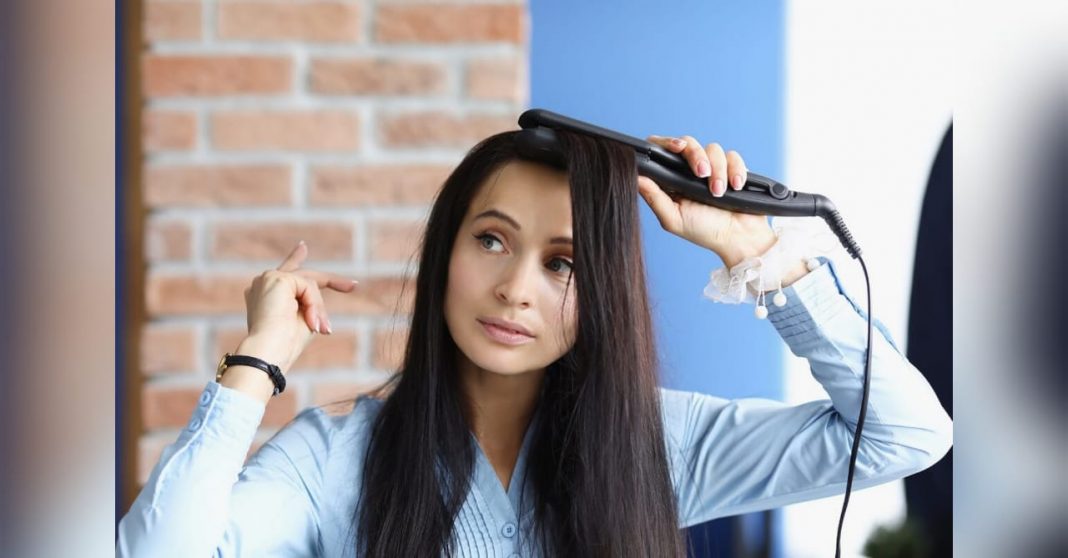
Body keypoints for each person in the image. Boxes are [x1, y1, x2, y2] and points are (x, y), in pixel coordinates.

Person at [116, 130, 952, 557]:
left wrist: (753, 251)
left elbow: (906, 435)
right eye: (490, 240)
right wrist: (255, 366)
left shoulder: (659, 444)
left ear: (604, 299)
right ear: (445, 252)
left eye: (564, 263)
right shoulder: (334, 457)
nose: (517, 287)